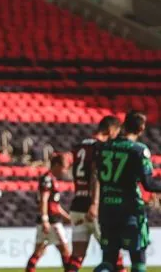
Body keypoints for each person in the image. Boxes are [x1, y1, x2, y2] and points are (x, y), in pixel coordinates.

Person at [93, 111, 161, 272]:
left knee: (109, 260)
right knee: (137, 258)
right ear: (141, 128)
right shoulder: (138, 150)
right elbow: (149, 184)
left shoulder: (104, 147)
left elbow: (97, 176)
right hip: (129, 210)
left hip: (107, 208)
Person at [66, 116, 125, 272]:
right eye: (116, 131)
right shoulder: (101, 147)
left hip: (77, 204)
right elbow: (95, 174)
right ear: (111, 129)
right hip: (94, 207)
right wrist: (94, 203)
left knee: (77, 256)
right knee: (114, 254)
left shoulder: (78, 147)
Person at [26, 154, 71, 272]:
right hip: (52, 221)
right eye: (64, 167)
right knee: (65, 251)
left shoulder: (52, 179)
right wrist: (45, 219)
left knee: (39, 251)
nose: (65, 171)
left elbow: (55, 205)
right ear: (56, 165)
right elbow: (44, 200)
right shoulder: (47, 179)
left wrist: (67, 217)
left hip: (48, 220)